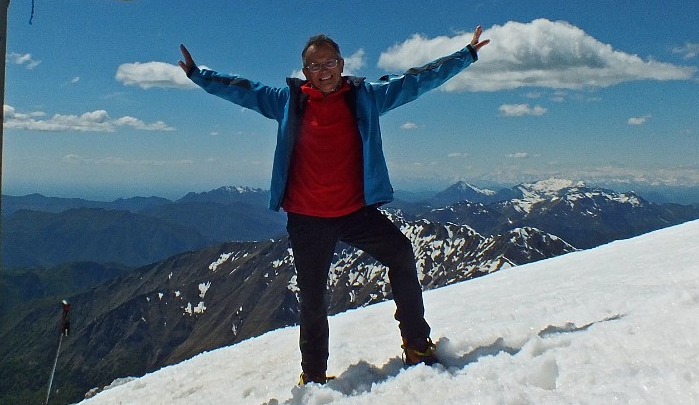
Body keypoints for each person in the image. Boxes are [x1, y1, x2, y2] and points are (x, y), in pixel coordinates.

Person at [178, 26, 489, 384]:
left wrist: (466, 54)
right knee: (313, 298)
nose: (324, 71)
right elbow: (244, 91)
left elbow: (416, 81)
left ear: (341, 64)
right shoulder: (288, 102)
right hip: (308, 218)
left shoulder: (365, 98)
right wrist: (199, 75)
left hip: (356, 211)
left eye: (330, 63)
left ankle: (416, 344)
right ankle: (313, 376)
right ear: (304, 71)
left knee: (401, 253)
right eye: (315, 65)